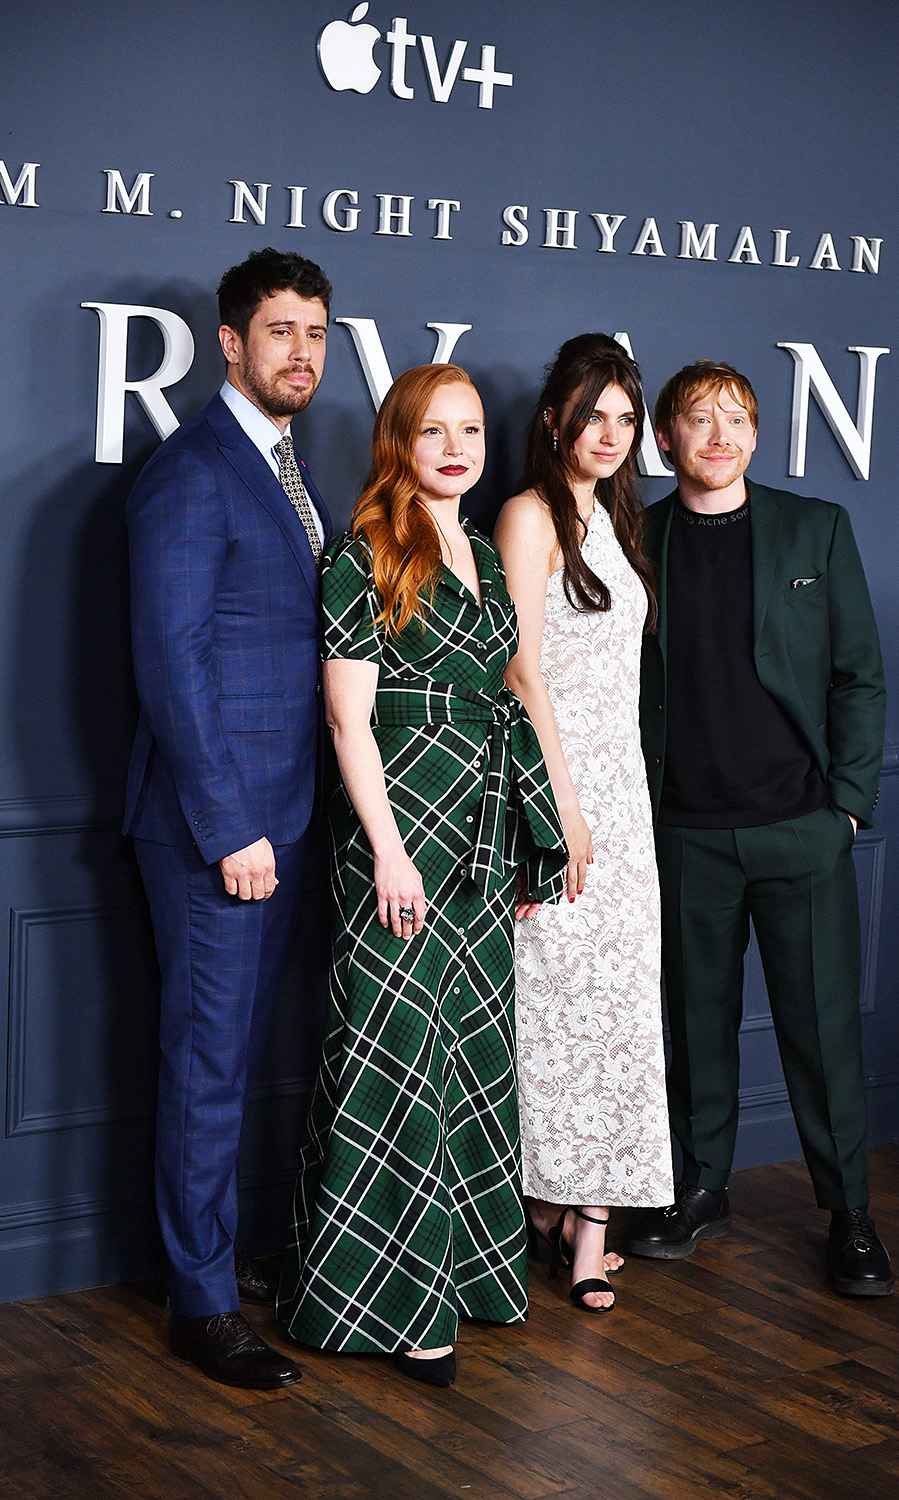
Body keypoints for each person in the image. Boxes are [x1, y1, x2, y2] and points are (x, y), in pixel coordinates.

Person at [277, 363, 565, 1388]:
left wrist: (537, 832)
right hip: (398, 826)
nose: (456, 448)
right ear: (401, 439)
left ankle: (468, 1275)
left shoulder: (483, 550)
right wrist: (387, 848)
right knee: (392, 1053)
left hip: (480, 833)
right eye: (434, 431)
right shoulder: (366, 553)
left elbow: (507, 701)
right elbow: (347, 718)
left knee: (472, 1054)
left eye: (472, 432)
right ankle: (391, 1305)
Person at [628, 359, 894, 1297]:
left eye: (737, 419)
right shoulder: (635, 540)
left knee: (821, 1030)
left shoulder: (816, 528)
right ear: (666, 439)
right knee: (693, 1029)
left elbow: (859, 674)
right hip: (685, 835)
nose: (719, 436)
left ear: (757, 433)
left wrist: (847, 808)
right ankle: (701, 1189)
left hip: (798, 827)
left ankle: (849, 1212)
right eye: (698, 421)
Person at [124, 247, 334, 1387]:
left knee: (241, 1059)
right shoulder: (195, 470)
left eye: (314, 333)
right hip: (223, 831)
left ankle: (198, 1255)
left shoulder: (286, 465)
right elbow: (174, 664)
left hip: (285, 818)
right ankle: (199, 1303)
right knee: (207, 1064)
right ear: (230, 345)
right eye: (280, 332)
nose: (299, 352)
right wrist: (229, 827)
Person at [494, 334, 673, 1314]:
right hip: (553, 790)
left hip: (626, 797)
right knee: (550, 1012)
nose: (609, 433)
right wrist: (560, 804)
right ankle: (543, 1197)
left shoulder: (617, 518)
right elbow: (519, 667)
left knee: (618, 1016)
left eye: (624, 418)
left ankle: (592, 1227)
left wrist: (603, 802)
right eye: (592, 414)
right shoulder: (529, 514)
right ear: (555, 418)